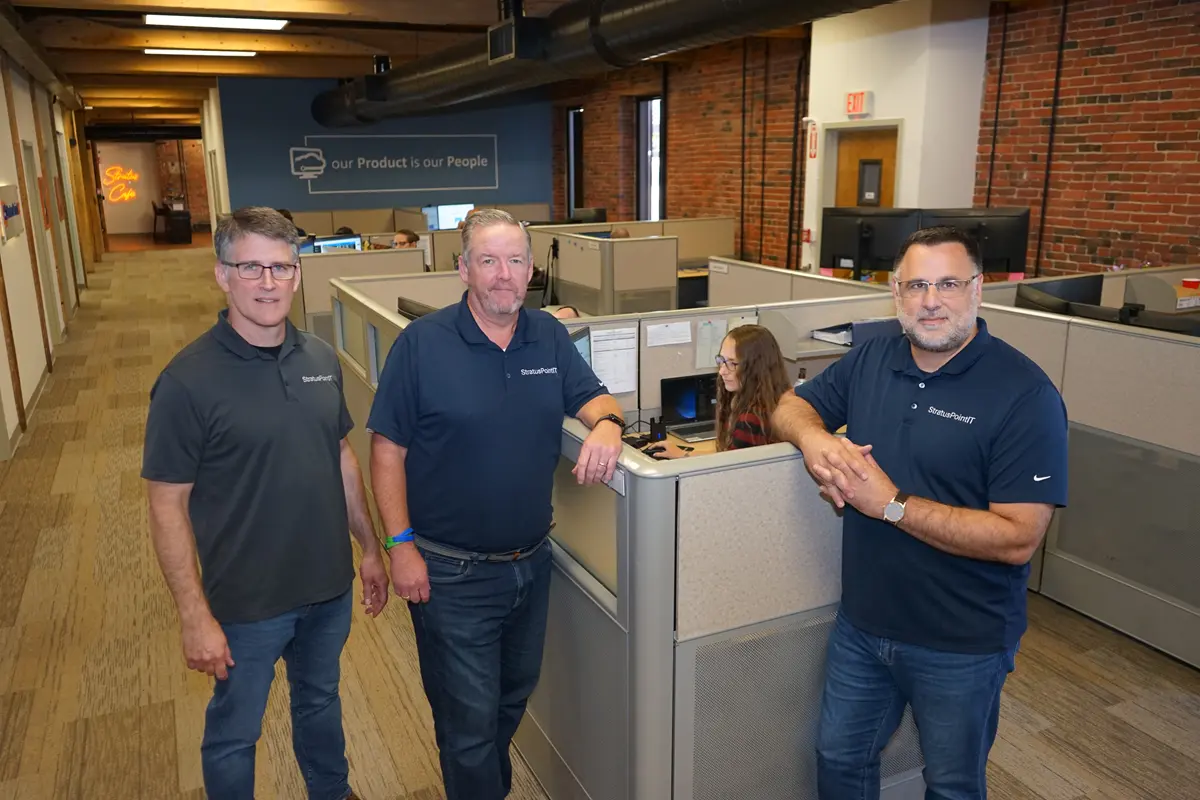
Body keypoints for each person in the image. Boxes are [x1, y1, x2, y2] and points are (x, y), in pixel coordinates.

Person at [771, 226, 1068, 800]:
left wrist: (892, 506)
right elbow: (792, 404)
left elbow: (1018, 538)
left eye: (949, 283)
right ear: (896, 293)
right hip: (864, 625)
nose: (931, 300)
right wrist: (817, 442)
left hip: (961, 642)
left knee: (952, 784)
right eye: (916, 285)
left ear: (978, 290)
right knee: (839, 759)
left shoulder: (1024, 395)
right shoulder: (873, 358)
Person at [367, 208, 624, 800]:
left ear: (531, 270)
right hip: (449, 570)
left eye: (514, 261)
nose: (503, 274)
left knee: (509, 700)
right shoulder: (423, 345)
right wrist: (399, 546)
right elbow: (387, 451)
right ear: (463, 270)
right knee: (467, 727)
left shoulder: (548, 335)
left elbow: (593, 397)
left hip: (530, 564)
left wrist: (608, 425)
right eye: (488, 260)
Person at [142, 207, 387, 800]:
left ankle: (332, 792)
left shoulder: (321, 361)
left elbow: (342, 458)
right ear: (222, 275)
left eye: (281, 267)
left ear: (299, 275)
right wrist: (193, 614)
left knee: (320, 700)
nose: (269, 282)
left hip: (328, 588)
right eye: (250, 267)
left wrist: (370, 548)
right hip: (247, 602)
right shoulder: (187, 381)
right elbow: (166, 506)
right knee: (235, 732)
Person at [649, 324, 790, 458]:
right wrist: (683, 453)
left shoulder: (751, 419)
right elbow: (727, 457)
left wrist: (682, 455)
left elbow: (725, 468)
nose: (722, 371)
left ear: (755, 368)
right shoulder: (779, 400)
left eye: (732, 363)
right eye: (721, 360)